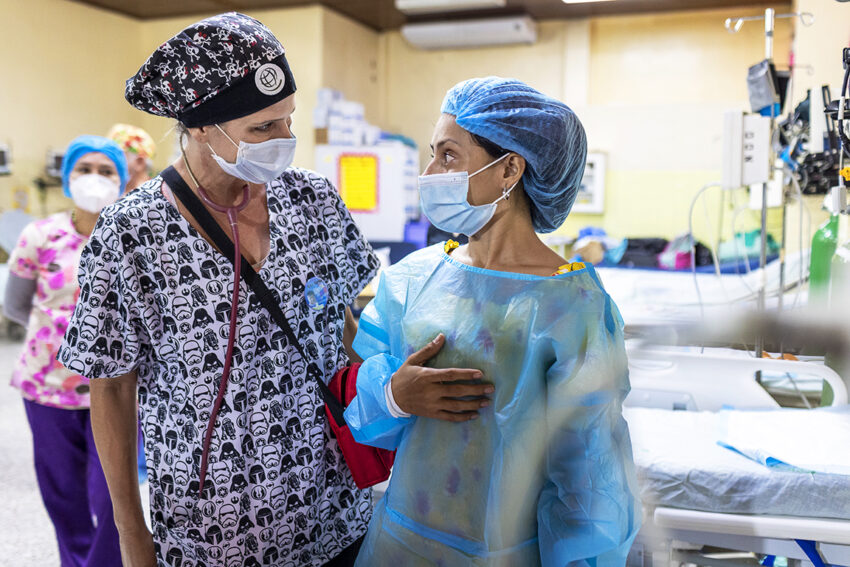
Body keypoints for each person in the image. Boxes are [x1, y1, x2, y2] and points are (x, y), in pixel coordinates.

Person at [58, 12, 380, 567]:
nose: (286, 141)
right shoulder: (132, 233)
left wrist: (392, 393)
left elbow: (343, 327)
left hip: (334, 507)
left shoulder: (313, 202)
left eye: (288, 121)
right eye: (263, 129)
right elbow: (110, 387)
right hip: (212, 530)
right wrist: (132, 537)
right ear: (202, 126)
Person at [344, 77, 641, 566]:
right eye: (432, 154)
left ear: (509, 169)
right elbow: (362, 413)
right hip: (397, 546)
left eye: (449, 156)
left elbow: (590, 481)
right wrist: (395, 395)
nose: (430, 172)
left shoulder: (572, 306)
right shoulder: (413, 281)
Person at [3, 135, 128, 567]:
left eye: (107, 171)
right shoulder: (40, 235)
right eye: (84, 170)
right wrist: (58, 335)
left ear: (123, 180)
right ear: (68, 178)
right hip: (46, 387)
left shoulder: (132, 240)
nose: (95, 179)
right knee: (64, 497)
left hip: (115, 391)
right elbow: (15, 306)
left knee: (114, 497)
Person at [107, 123, 156, 191]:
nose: (108, 163)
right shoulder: (112, 194)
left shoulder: (154, 197)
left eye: (116, 156)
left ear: (139, 163)